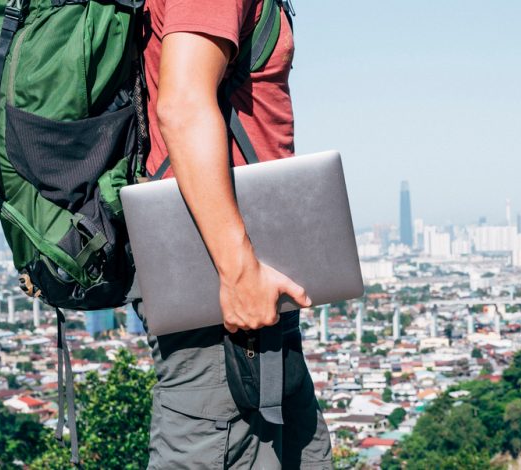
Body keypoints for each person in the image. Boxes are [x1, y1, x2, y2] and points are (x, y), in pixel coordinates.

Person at [139, 0, 332, 467]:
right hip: (217, 271)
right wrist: (238, 271)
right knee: (216, 444)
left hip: (247, 267)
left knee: (301, 452)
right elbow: (183, 107)